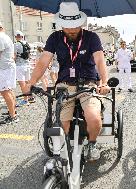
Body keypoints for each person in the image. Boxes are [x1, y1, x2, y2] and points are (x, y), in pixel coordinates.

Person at [28, 2, 110, 160]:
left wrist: (104, 82)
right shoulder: (55, 38)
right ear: (61, 24)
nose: (71, 30)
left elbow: (100, 60)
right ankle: (63, 155)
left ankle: (92, 144)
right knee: (62, 125)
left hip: (88, 84)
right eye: (67, 26)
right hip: (64, 86)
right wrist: (31, 82)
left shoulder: (92, 37)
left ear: (80, 22)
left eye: (74, 25)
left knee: (94, 118)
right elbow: (44, 61)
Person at [0, 22, 18, 124]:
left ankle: (13, 116)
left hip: (4, 68)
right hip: (8, 66)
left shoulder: (0, 37)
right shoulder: (6, 37)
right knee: (9, 91)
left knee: (5, 92)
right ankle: (13, 112)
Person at [14, 30, 31, 106]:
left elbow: (14, 56)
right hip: (27, 65)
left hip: (19, 66)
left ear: (16, 37)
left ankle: (25, 100)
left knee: (22, 83)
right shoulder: (26, 43)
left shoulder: (16, 44)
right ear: (22, 36)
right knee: (27, 82)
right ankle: (30, 97)